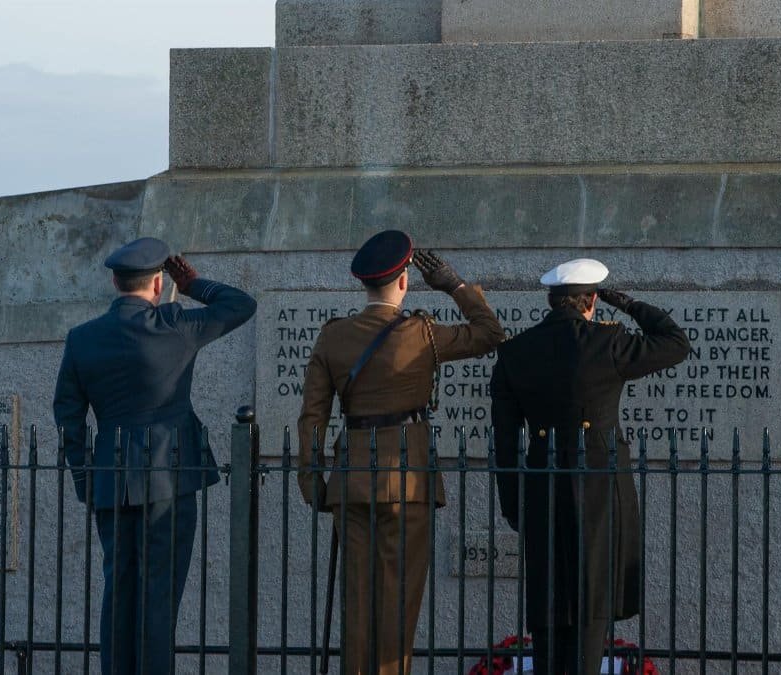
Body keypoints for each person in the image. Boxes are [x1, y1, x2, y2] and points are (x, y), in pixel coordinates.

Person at [297, 230, 504, 675]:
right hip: (408, 483)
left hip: (351, 483)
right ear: (404, 281)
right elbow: (491, 334)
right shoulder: (420, 333)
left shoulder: (332, 337)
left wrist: (312, 479)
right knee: (397, 606)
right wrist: (453, 284)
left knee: (357, 606)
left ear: (366, 285)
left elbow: (312, 417)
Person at [53, 237, 256, 675]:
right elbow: (241, 304)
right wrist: (195, 284)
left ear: (114, 281)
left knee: (118, 593)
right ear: (159, 283)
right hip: (170, 477)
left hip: (110, 481)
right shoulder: (174, 322)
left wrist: (86, 481)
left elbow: (68, 419)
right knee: (158, 599)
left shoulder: (82, 339)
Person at [490, 258, 690, 675]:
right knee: (592, 597)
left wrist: (514, 505)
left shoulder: (515, 351)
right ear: (592, 300)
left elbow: (506, 442)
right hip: (599, 485)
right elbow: (675, 341)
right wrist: (630, 304)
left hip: (541, 486)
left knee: (549, 596)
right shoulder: (607, 343)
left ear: (551, 302)